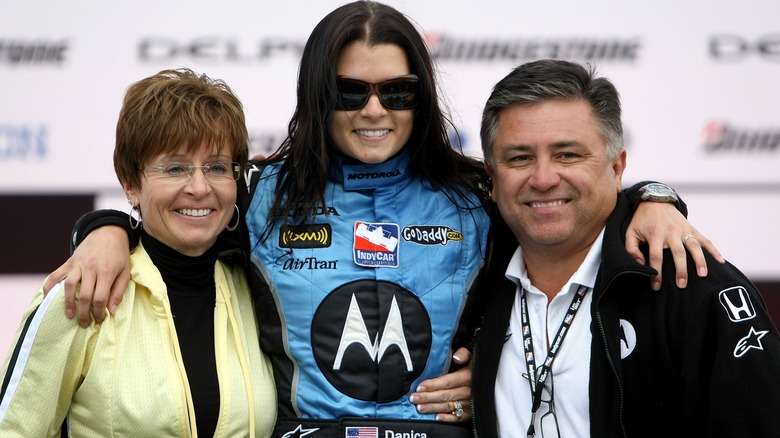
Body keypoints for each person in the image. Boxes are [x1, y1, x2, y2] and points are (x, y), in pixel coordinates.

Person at [42, 2, 719, 437]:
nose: (374, 110)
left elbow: (572, 206)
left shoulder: (476, 194)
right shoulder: (261, 192)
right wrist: (103, 229)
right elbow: (177, 218)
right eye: (350, 91)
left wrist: (657, 197)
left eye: (396, 91)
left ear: (420, 96)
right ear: (317, 93)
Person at [471, 59, 780, 438]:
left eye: (568, 154)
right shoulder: (467, 278)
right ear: (492, 176)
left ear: (617, 169)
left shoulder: (695, 287)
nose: (544, 178)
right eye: (519, 158)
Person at [0, 69, 277, 436]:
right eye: (175, 168)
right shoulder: (85, 288)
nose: (199, 187)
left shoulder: (261, 289)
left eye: (216, 167)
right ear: (131, 183)